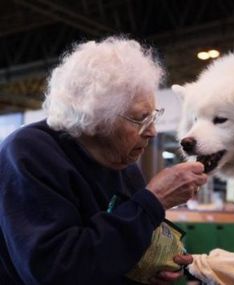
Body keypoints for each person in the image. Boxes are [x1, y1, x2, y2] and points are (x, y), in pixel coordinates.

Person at [0, 37, 208, 285]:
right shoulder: (29, 153)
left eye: (153, 116)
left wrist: (148, 270)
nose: (152, 131)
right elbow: (55, 271)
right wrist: (153, 200)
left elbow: (115, 253)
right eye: (140, 119)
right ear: (96, 119)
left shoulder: (126, 167)